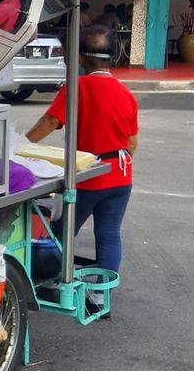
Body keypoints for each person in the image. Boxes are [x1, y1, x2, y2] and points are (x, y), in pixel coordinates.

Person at [25, 26, 138, 311]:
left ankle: (52, 281)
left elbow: (50, 122)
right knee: (110, 234)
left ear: (84, 59)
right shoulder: (126, 93)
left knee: (60, 231)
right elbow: (132, 142)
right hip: (121, 175)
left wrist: (18, 147)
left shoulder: (78, 87)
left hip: (88, 177)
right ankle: (101, 298)